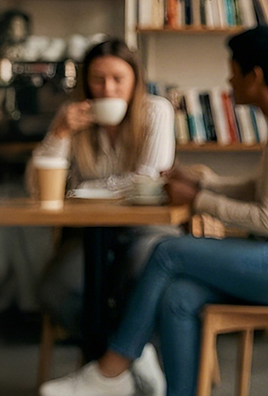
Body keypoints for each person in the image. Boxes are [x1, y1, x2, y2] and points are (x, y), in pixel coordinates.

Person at [40, 26, 268, 396]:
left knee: (167, 252)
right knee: (179, 296)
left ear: (254, 76)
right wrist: (203, 183)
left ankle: (111, 370)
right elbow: (259, 189)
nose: (229, 81)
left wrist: (196, 200)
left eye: (233, 71)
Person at [31, 39, 178, 335]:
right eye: (98, 80)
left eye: (118, 80)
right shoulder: (73, 119)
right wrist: (60, 133)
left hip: (146, 227)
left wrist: (88, 189)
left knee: (141, 271)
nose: (108, 90)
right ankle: (118, 356)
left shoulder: (156, 112)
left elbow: (148, 178)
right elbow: (37, 187)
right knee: (52, 290)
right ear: (86, 84)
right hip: (90, 230)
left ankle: (119, 360)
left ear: (135, 81)